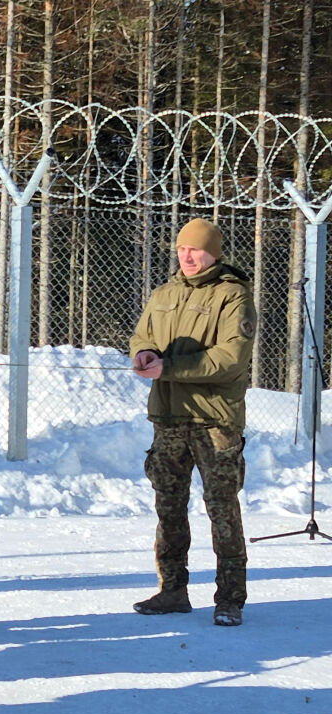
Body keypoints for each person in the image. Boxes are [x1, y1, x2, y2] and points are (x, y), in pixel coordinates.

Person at [129, 217, 254, 627]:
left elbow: (230, 358)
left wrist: (169, 367)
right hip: (168, 417)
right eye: (182, 249)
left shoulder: (232, 295)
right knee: (168, 505)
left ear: (213, 253)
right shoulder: (164, 293)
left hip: (213, 420)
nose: (187, 256)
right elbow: (142, 335)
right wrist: (144, 354)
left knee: (222, 508)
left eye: (196, 250)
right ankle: (172, 589)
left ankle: (230, 598)